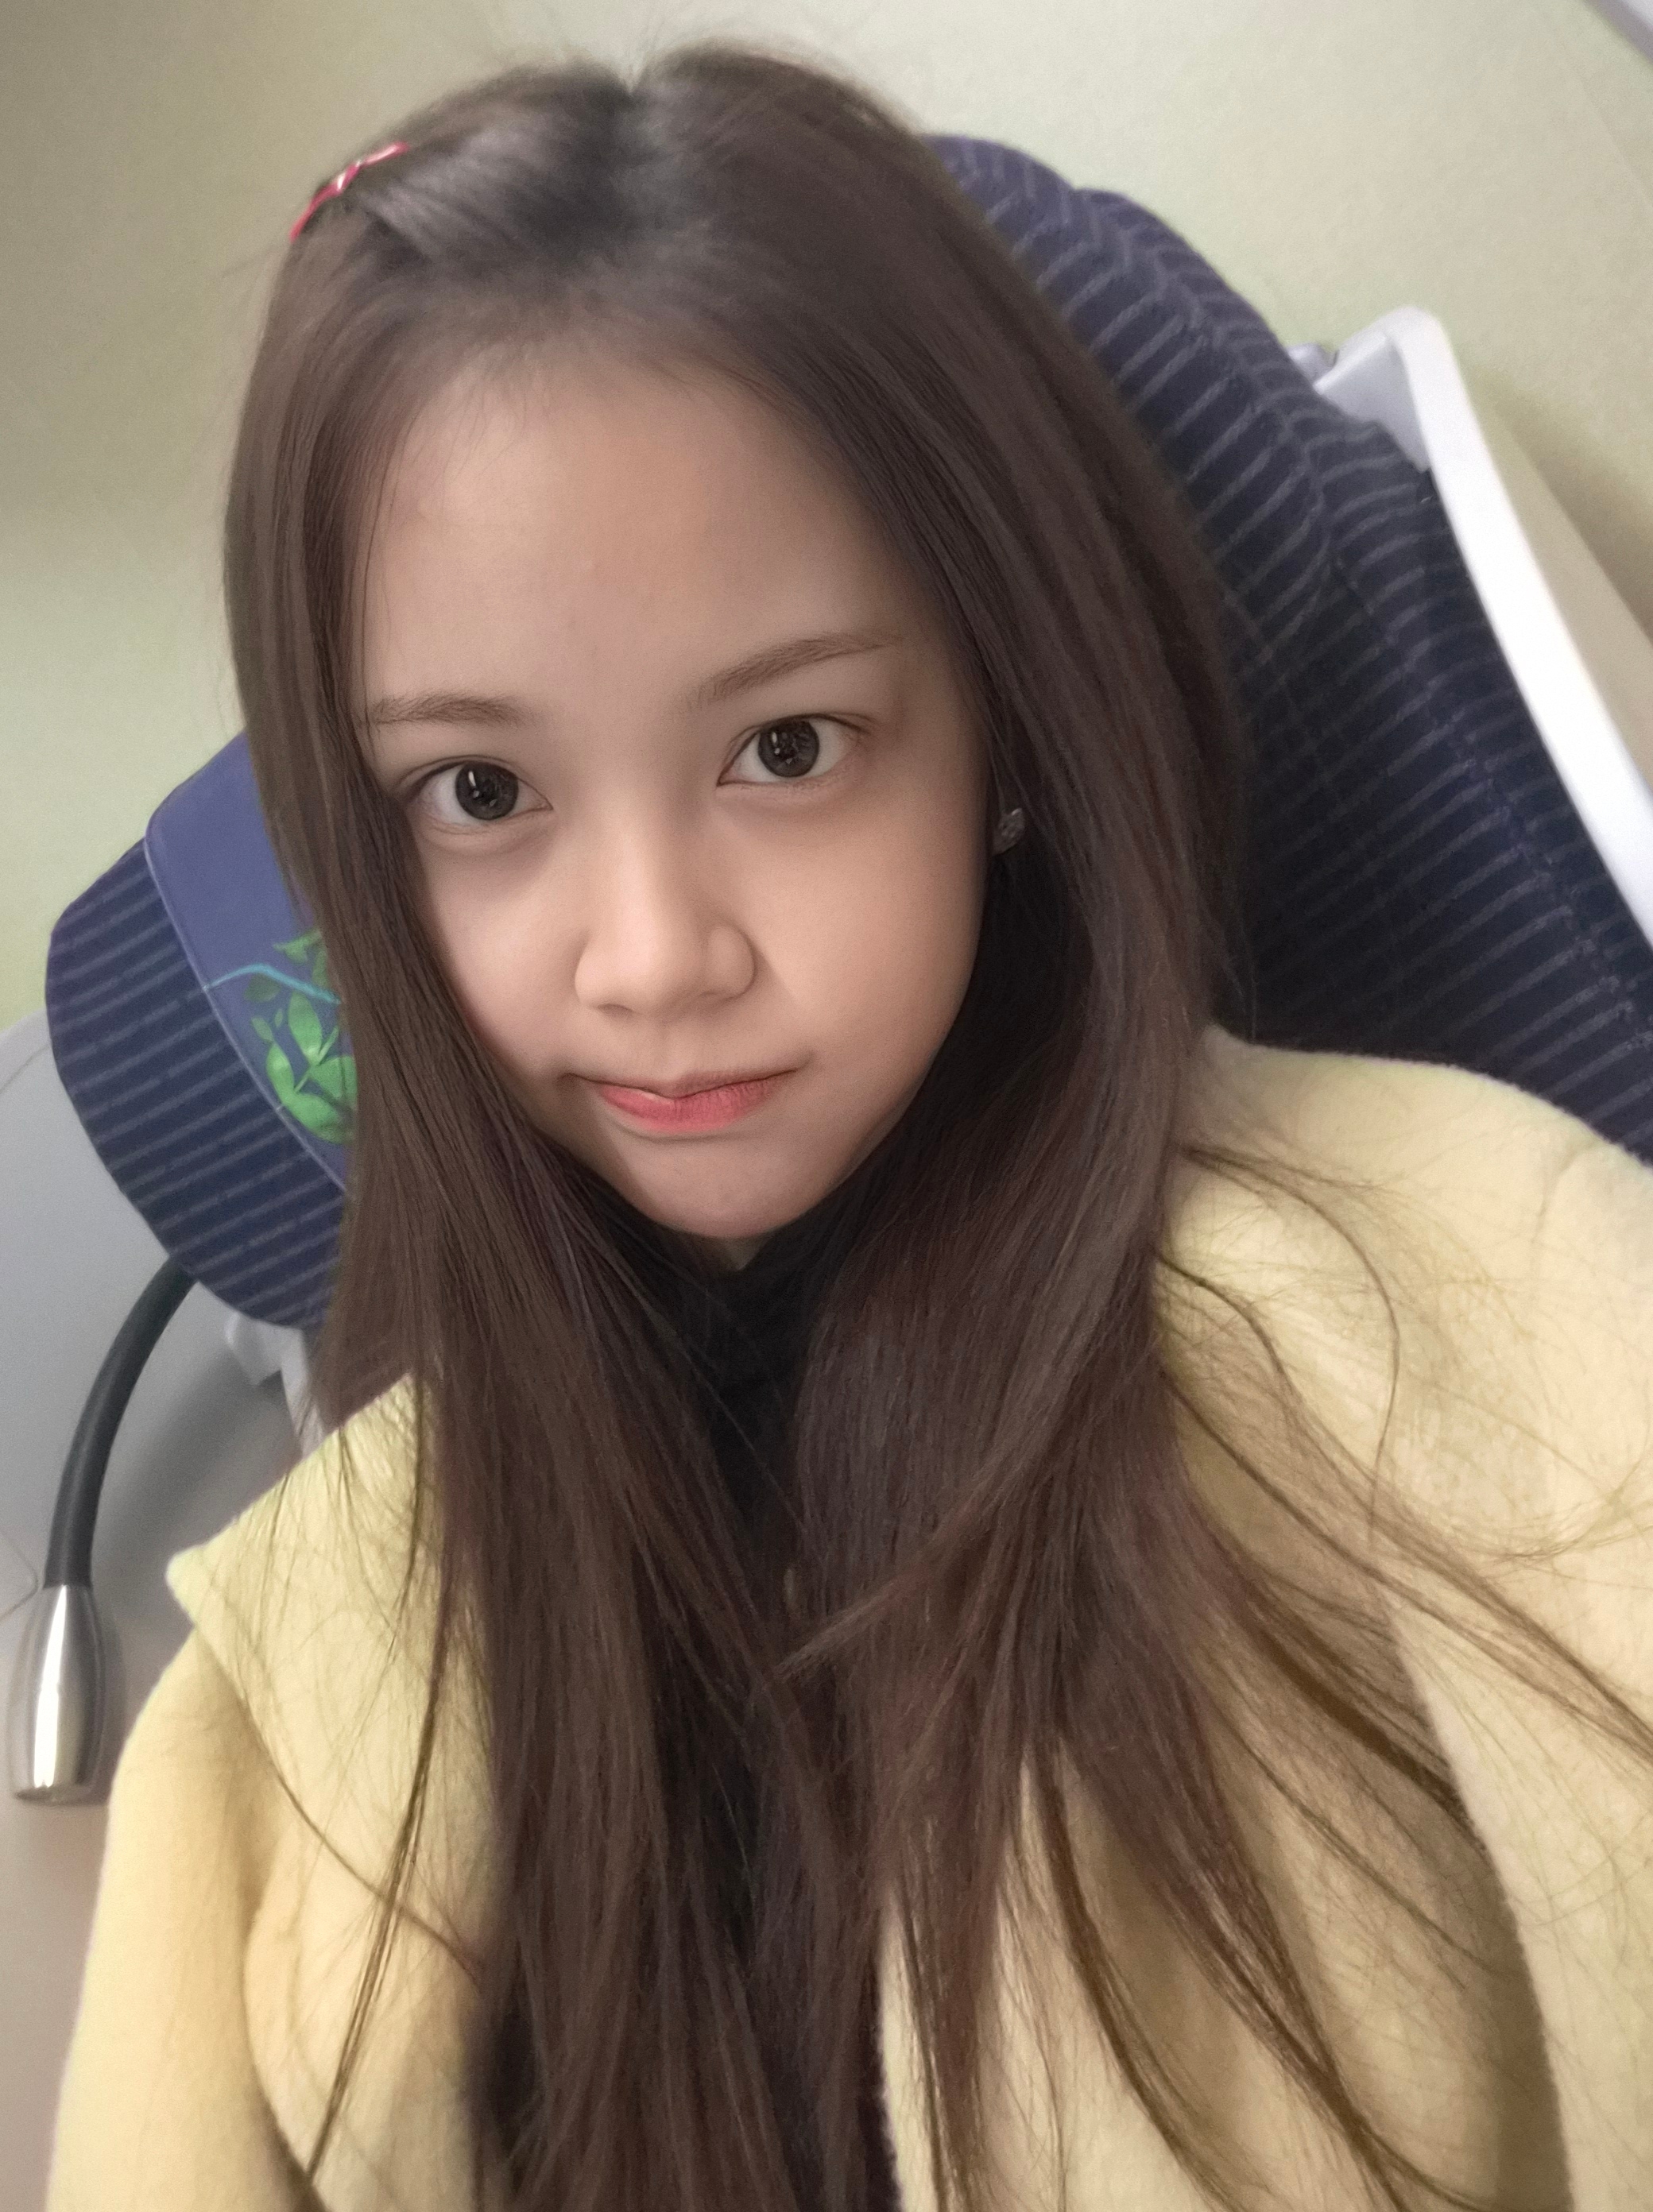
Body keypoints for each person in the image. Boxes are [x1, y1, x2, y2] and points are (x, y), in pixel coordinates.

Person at [45, 38, 1653, 2212]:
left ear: (1004, 732)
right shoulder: (297, 1681)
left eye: (788, 747)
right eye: (482, 793)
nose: (650, 955)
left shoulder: (1487, 1303)